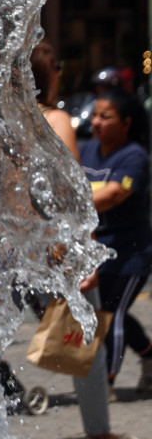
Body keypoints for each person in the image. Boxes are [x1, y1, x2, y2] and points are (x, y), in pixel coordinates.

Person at [33, 43, 151, 439]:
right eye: (59, 68)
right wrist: (78, 246)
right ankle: (100, 436)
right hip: (55, 244)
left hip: (4, 242)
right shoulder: (55, 119)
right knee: (85, 333)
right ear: (49, 73)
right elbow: (70, 195)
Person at [79, 88, 152, 394]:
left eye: (105, 116)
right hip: (96, 250)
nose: (96, 121)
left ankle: (105, 383)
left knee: (112, 314)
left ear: (125, 123)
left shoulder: (134, 156)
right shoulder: (83, 150)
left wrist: (71, 200)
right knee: (102, 313)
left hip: (130, 253)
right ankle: (150, 355)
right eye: (94, 114)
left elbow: (112, 195)